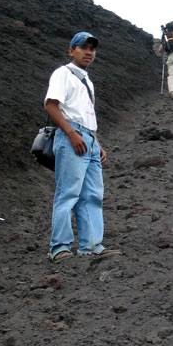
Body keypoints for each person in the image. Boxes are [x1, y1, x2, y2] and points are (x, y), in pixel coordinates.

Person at [44, 31, 113, 263]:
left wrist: (96, 143)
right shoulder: (62, 73)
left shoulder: (86, 80)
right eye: (83, 47)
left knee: (92, 194)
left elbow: (85, 114)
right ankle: (60, 247)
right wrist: (71, 133)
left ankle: (92, 246)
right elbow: (51, 105)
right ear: (71, 50)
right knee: (69, 193)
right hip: (72, 135)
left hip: (89, 139)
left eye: (92, 48)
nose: (89, 52)